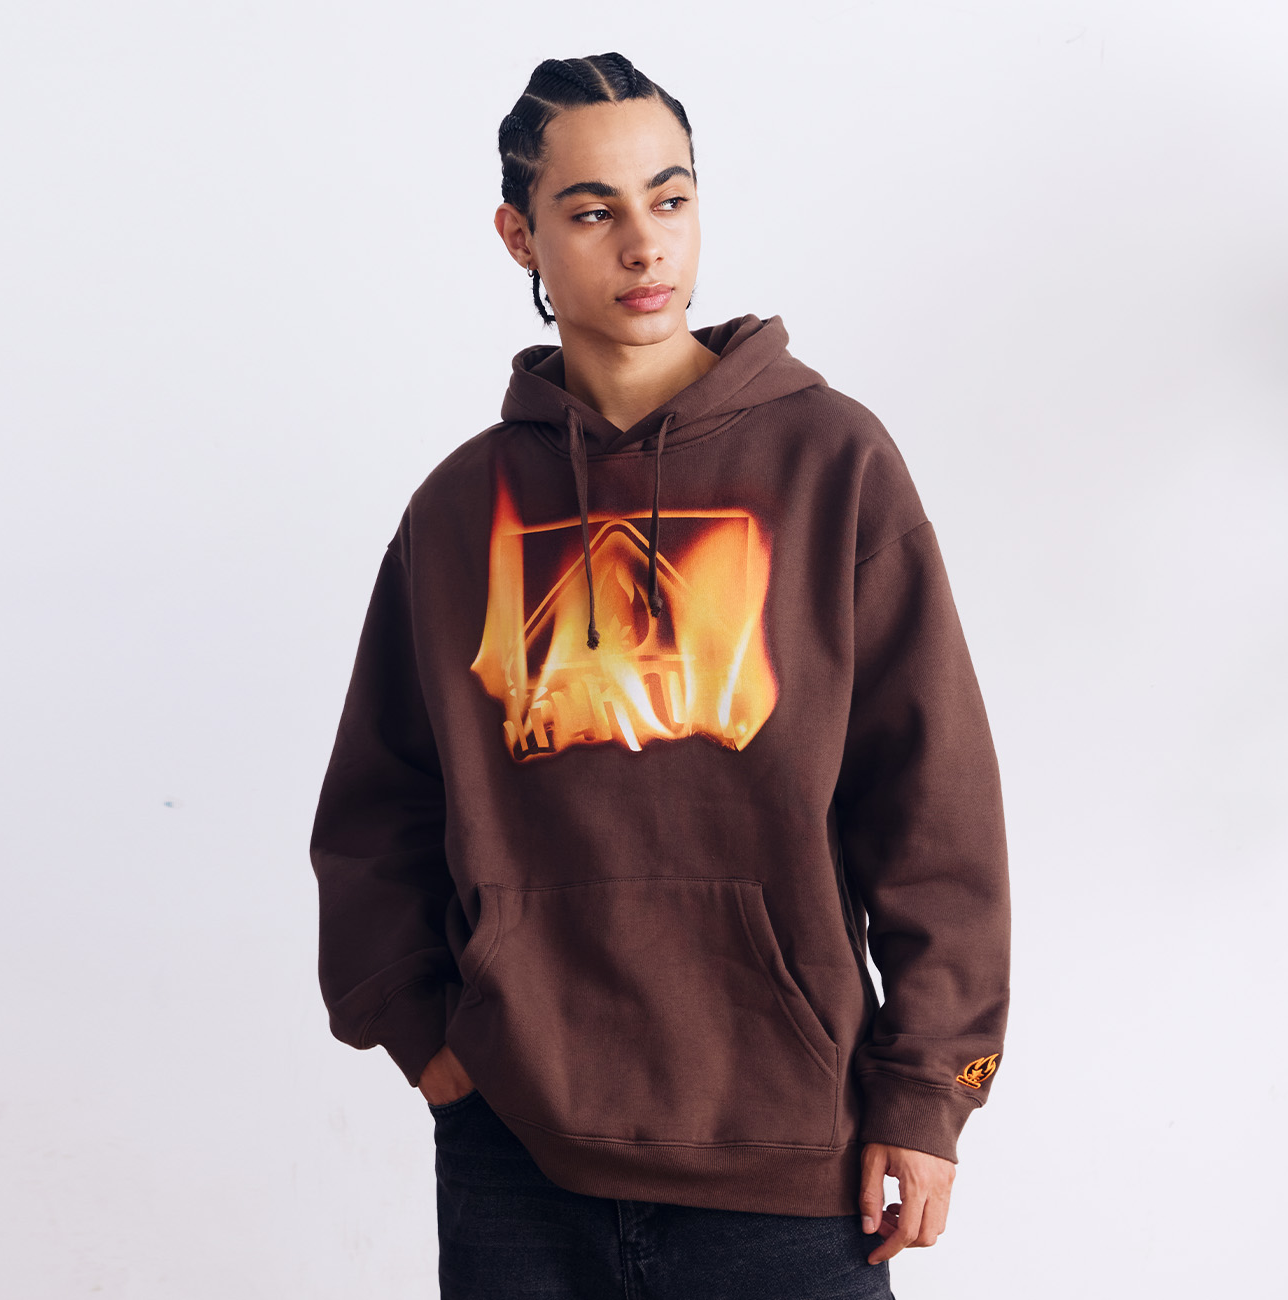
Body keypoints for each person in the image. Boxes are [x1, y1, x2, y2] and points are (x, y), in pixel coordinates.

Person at [309, 51, 1011, 1300]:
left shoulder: (832, 463)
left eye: (670, 199)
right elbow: (380, 805)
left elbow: (930, 803)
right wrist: (422, 1034)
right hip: (517, 1160)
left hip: (791, 1159)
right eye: (593, 211)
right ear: (519, 235)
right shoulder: (462, 508)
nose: (644, 244)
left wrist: (926, 1093)